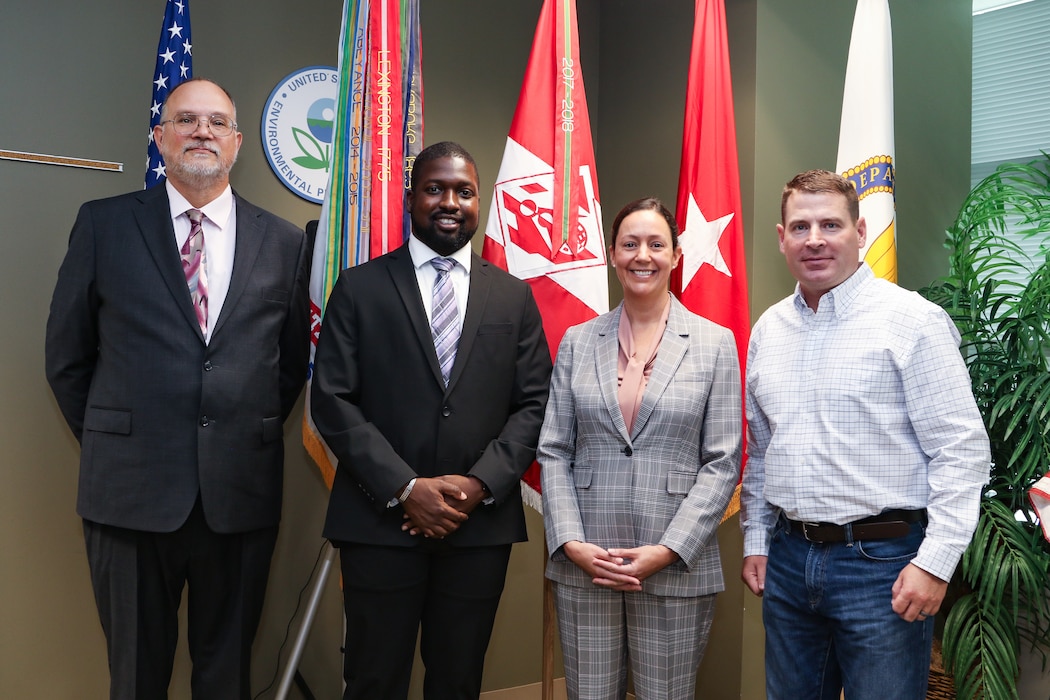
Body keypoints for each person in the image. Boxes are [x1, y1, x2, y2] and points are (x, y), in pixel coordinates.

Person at [44, 78, 311, 699]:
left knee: (226, 675)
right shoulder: (104, 225)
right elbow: (67, 356)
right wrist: (118, 438)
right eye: (186, 120)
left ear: (238, 142)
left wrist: (237, 432)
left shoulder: (285, 242)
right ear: (159, 137)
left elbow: (290, 363)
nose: (202, 132)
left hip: (239, 494)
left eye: (217, 122)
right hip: (130, 493)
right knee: (136, 676)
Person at [310, 141, 553, 700]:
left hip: (479, 528)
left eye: (464, 191)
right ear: (411, 198)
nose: (451, 201)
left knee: (459, 680)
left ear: (479, 202)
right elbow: (332, 400)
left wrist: (477, 484)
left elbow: (535, 403)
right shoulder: (360, 287)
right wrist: (406, 487)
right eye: (435, 188)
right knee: (373, 680)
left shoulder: (512, 298)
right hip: (379, 524)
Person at [740, 170, 990, 699]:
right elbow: (762, 454)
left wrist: (935, 563)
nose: (815, 239)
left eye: (830, 224)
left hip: (884, 567)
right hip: (788, 559)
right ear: (780, 237)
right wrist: (757, 540)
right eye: (800, 226)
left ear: (860, 230)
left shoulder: (912, 322)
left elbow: (961, 452)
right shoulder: (768, 331)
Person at [538, 197, 742, 700]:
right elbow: (554, 450)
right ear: (612, 254)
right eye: (630, 244)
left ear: (676, 256)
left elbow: (723, 461)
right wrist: (569, 542)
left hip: (673, 563)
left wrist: (668, 549)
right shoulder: (577, 341)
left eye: (656, 244)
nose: (642, 255)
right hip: (588, 561)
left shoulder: (716, 344)